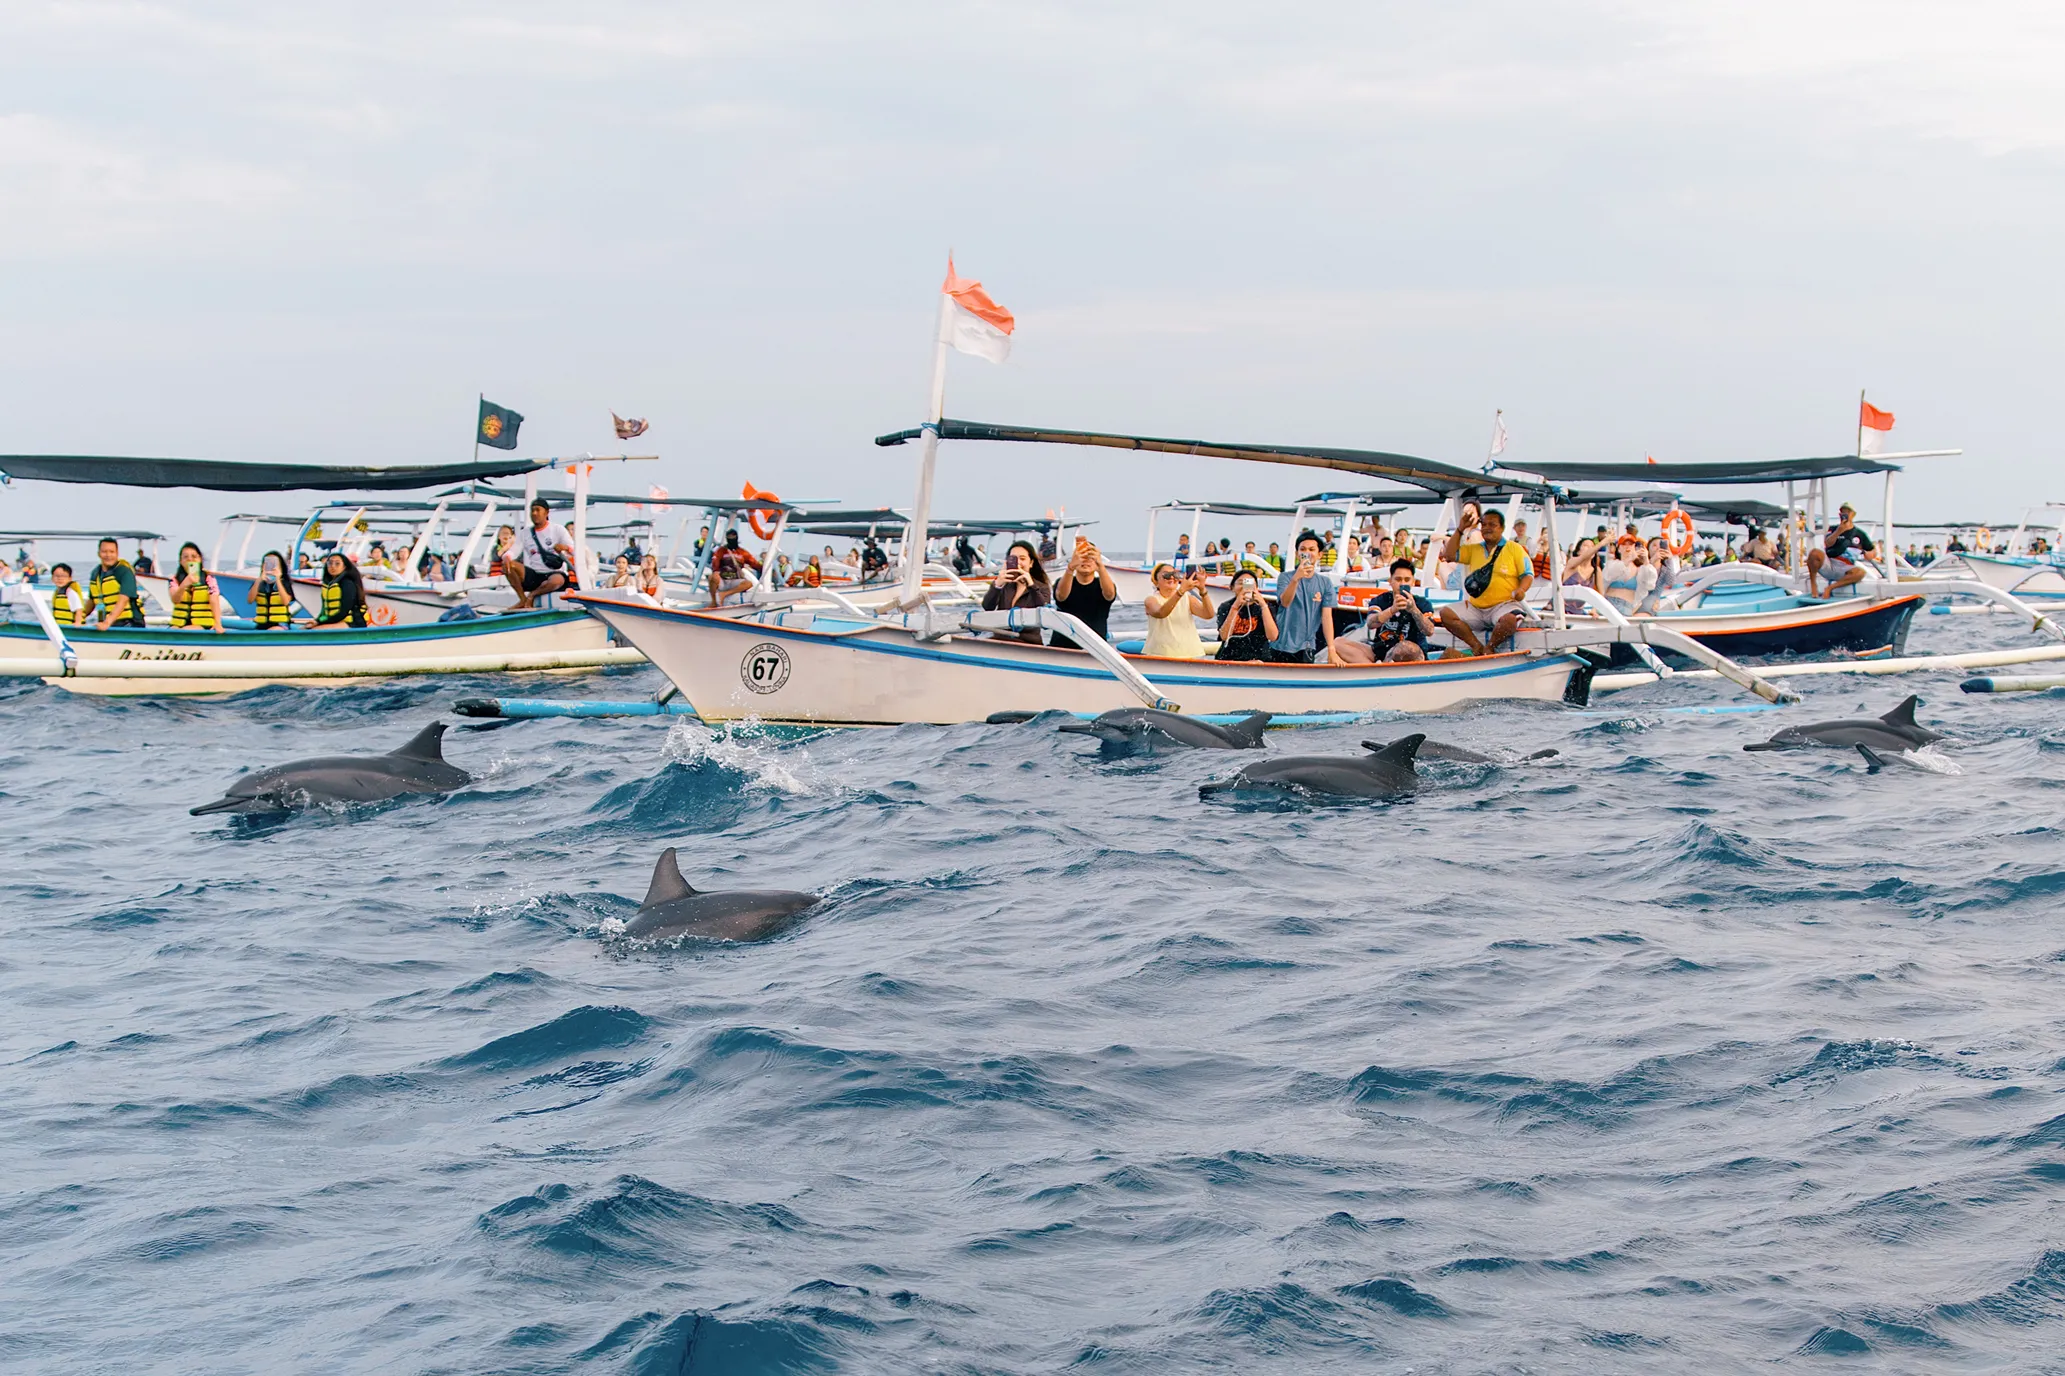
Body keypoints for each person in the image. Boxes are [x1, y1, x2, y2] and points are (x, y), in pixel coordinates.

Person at [1436, 505, 1532, 655]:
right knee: (1446, 614)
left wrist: (1521, 590)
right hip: (1476, 608)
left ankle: (1490, 647)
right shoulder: (1474, 549)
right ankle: (1476, 646)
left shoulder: (1514, 548)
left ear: (1501, 528)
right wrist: (1460, 529)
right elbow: (1449, 555)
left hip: (1503, 605)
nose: (1487, 528)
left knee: (1510, 620)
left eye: (1492, 525)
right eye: (1484, 525)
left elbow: (1527, 574)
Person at [1335, 558, 1436, 663]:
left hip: (1413, 652)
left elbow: (1429, 631)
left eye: (1407, 580)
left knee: (1405, 647)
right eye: (1398, 579)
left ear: (1413, 582)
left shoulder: (1422, 603)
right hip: (1381, 650)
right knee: (1337, 643)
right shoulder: (1380, 600)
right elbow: (1370, 623)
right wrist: (1392, 610)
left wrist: (1414, 610)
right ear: (1390, 581)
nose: (1402, 584)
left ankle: (1378, 670)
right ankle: (1374, 671)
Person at [1268, 531, 1337, 663]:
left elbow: (1327, 617)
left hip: (1307, 646)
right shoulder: (1285, 577)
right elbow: (1285, 602)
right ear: (1297, 554)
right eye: (1303, 549)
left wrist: (1331, 649)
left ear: (1319, 554)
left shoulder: (1325, 583)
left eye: (1312, 549)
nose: (1307, 552)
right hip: (1281, 645)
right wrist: (1296, 579)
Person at [1050, 538, 1117, 650]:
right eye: (1082, 557)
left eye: (1090, 558)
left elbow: (1110, 594)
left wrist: (1101, 566)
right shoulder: (1064, 582)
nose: (1086, 561)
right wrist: (1070, 568)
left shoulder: (1102, 585)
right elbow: (1061, 596)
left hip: (1096, 648)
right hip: (1062, 646)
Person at [508, 500, 577, 608]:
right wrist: (507, 557)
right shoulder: (525, 533)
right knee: (508, 565)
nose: (534, 513)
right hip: (535, 573)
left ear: (546, 512)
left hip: (554, 573)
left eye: (538, 510)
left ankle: (532, 596)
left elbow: (574, 550)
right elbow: (514, 551)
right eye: (532, 510)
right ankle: (522, 599)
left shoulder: (557, 529)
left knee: (556, 581)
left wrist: (565, 547)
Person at [981, 538, 1050, 643]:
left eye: (1022, 559)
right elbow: (987, 606)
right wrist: (997, 585)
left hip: (1028, 642)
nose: (1018, 563)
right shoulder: (1004, 584)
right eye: (1013, 558)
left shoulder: (1041, 586)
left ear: (1031, 563)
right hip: (1001, 640)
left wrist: (1031, 585)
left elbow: (1044, 611)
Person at [1144, 563, 1213, 657]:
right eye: (1166, 575)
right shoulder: (1151, 600)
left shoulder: (1188, 598)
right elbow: (1161, 613)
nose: (1172, 578)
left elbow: (1208, 614)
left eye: (1175, 575)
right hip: (1160, 653)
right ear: (1156, 581)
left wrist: (1202, 590)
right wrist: (1181, 591)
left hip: (1190, 652)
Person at [1809, 502, 1877, 597]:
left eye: (1847, 512)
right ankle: (1813, 584)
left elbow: (1872, 551)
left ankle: (1831, 588)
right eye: (1842, 512)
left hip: (1846, 567)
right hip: (1830, 563)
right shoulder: (1833, 529)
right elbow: (1828, 543)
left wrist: (1869, 554)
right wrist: (1839, 531)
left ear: (1853, 515)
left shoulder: (1860, 534)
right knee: (1814, 553)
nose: (1844, 514)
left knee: (1860, 572)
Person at [1214, 569, 1279, 661]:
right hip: (1230, 657)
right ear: (1232, 587)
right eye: (1240, 583)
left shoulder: (1266, 607)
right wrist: (1235, 607)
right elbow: (1224, 636)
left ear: (1256, 587)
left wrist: (1263, 605)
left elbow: (1273, 636)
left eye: (1249, 583)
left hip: (1259, 658)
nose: (1245, 587)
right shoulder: (1226, 607)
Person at [89, 537, 147, 629]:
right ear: (98, 553)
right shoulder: (95, 574)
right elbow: (91, 601)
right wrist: (78, 618)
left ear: (117, 553)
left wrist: (107, 622)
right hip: (108, 623)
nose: (108, 555)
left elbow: (123, 600)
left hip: (130, 622)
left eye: (112, 552)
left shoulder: (124, 571)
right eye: (104, 552)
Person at [305, 552, 369, 628]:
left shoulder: (347, 584)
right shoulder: (328, 585)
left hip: (352, 622)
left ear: (344, 567)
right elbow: (323, 611)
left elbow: (343, 612)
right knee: (306, 628)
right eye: (330, 563)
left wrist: (320, 622)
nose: (333, 566)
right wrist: (317, 620)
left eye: (337, 564)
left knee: (316, 630)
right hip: (334, 621)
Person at [706, 528, 762, 605]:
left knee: (748, 583)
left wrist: (764, 568)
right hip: (723, 580)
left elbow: (755, 564)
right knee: (712, 577)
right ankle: (713, 602)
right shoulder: (721, 551)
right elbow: (715, 564)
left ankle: (724, 594)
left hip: (735, 580)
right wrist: (716, 572)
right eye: (729, 537)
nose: (731, 539)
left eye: (733, 537)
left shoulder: (743, 552)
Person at [250, 551, 297, 630]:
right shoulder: (259, 583)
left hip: (280, 624)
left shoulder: (285, 583)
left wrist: (278, 579)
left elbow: (285, 601)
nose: (271, 566)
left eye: (274, 563)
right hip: (262, 624)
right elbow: (250, 600)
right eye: (268, 562)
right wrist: (259, 580)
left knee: (274, 630)